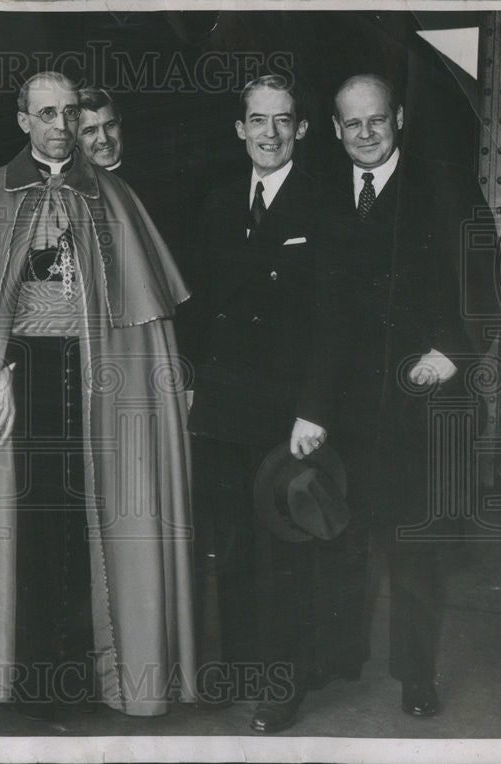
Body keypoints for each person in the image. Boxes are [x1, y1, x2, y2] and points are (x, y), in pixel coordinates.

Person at [0, 71, 196, 718]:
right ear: (21, 119)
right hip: (16, 380)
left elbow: (139, 321)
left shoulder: (113, 197)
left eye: (68, 113)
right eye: (45, 114)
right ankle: (22, 678)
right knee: (22, 526)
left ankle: (90, 676)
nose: (59, 126)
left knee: (85, 525)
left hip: (93, 383)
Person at [294, 74, 493, 719]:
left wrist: (455, 351)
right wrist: (313, 407)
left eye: (377, 120)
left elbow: (489, 278)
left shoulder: (444, 183)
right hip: (350, 406)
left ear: (398, 118)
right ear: (335, 130)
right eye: (352, 124)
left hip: (423, 400)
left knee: (415, 544)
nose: (366, 134)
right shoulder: (325, 194)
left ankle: (416, 675)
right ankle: (340, 657)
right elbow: (321, 313)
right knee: (343, 537)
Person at [179, 74, 367, 733]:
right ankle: (237, 667)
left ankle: (280, 684)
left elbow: (337, 322)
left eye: (283, 121)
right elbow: (198, 307)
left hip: (288, 417)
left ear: (303, 129)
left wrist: (314, 410)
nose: (270, 133)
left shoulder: (325, 205)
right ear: (240, 129)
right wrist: (192, 382)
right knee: (227, 545)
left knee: (284, 553)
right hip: (225, 408)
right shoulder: (218, 201)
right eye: (257, 121)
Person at [76, 87, 171, 242]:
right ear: (74, 138)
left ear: (120, 122)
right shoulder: (68, 194)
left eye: (110, 125)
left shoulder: (154, 186)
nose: (103, 139)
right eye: (90, 131)